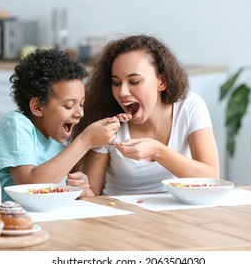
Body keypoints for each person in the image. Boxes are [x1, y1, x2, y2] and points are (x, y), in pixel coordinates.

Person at [68, 34, 220, 196]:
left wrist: (157, 150)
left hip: (178, 214)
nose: (123, 92)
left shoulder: (189, 107)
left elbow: (211, 178)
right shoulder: (107, 121)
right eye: (116, 83)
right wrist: (82, 188)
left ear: (162, 82)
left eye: (134, 81)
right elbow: (93, 194)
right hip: (119, 214)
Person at [0, 48, 120, 201]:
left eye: (81, 104)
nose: (79, 113)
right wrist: (85, 141)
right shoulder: (15, 125)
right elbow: (30, 186)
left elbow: (56, 184)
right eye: (69, 106)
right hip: (8, 219)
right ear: (38, 107)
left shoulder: (56, 135)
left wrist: (80, 186)